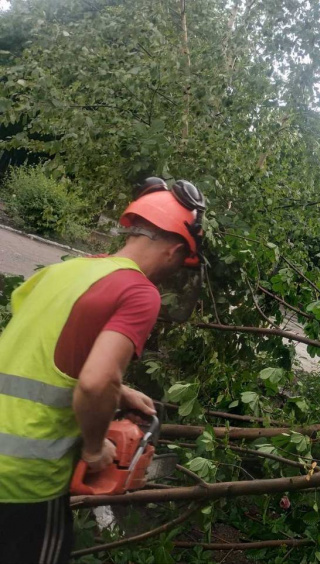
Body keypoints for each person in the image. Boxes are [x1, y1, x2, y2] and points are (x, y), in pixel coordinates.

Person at [0, 177, 206, 564]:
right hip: (22, 483)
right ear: (175, 250)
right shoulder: (138, 291)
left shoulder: (64, 272)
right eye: (181, 262)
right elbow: (95, 384)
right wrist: (94, 450)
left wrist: (121, 390)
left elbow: (40, 350)